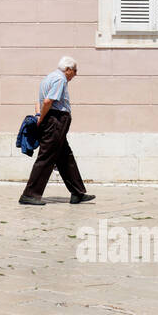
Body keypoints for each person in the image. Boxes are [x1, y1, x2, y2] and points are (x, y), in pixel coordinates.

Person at [18, 56, 95, 206]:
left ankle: (77, 192)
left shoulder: (49, 78)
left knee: (65, 156)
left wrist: (41, 116)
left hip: (54, 120)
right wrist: (41, 119)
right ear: (67, 70)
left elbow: (39, 100)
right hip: (56, 120)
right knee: (46, 157)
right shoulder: (60, 79)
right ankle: (29, 194)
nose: (76, 74)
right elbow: (47, 101)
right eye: (74, 70)